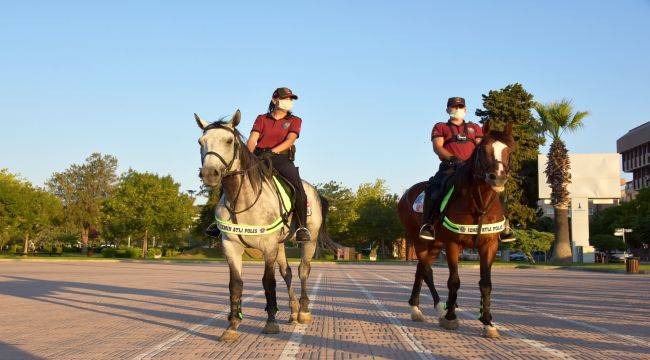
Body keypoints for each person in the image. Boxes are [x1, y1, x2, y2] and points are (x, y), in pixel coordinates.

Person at [419, 97, 515, 242]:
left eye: (460, 107)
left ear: (465, 110)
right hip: (450, 167)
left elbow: (482, 147)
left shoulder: (475, 127)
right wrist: (453, 159)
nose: (457, 109)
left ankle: (505, 226)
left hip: (472, 168)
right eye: (453, 107)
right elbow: (438, 147)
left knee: (498, 188)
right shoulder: (440, 127)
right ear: (447, 110)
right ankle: (428, 225)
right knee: (434, 189)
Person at [247, 87, 311, 243]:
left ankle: (302, 227)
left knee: (298, 188)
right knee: (232, 177)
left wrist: (272, 152)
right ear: (275, 100)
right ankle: (218, 222)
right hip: (258, 156)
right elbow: (252, 139)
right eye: (285, 98)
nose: (289, 102)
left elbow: (289, 141)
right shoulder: (262, 118)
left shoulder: (295, 120)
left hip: (280, 158)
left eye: (291, 99)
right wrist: (248, 157)